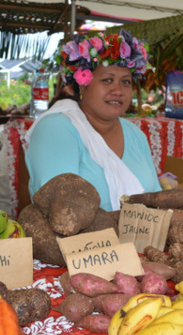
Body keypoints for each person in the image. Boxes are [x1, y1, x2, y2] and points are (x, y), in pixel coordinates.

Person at [24, 30, 161, 212]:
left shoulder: (136, 134)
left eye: (126, 82)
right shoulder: (56, 129)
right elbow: (61, 212)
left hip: (141, 238)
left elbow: (157, 198)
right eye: (107, 80)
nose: (118, 90)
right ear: (83, 84)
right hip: (78, 240)